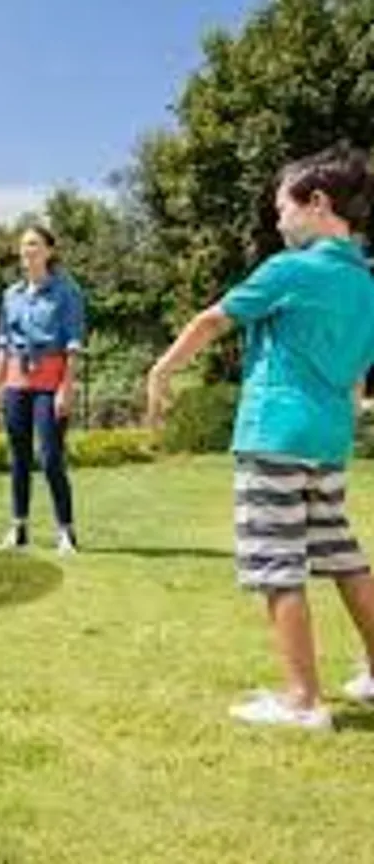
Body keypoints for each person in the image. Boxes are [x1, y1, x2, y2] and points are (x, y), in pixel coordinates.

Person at [146, 142, 374, 731]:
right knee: (343, 557)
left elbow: (213, 319)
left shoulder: (291, 270)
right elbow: (355, 377)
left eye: (283, 208)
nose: (278, 220)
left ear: (317, 202)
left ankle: (302, 701)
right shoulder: (366, 284)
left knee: (278, 564)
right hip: (328, 439)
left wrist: (162, 371)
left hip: (274, 432)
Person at [0, 223, 85, 554]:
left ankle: (66, 532)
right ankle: (19, 530)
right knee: (18, 458)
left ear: (49, 251)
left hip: (50, 381)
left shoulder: (66, 292)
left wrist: (66, 388)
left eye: (33, 245)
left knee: (51, 457)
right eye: (23, 246)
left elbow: (73, 344)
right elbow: (3, 344)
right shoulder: (10, 295)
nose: (26, 251)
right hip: (16, 381)